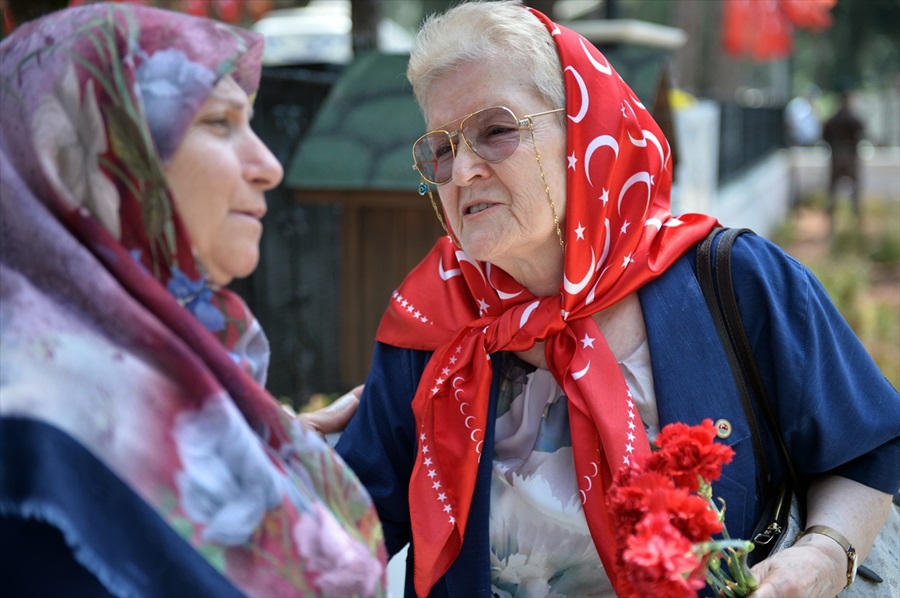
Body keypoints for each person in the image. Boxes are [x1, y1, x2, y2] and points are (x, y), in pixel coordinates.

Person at [332, 2, 900, 597]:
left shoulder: (736, 279)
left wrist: (827, 551)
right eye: (440, 150)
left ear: (584, 132)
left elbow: (866, 446)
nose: (462, 171)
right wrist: (263, 442)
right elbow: (343, 531)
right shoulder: (432, 325)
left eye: (495, 131)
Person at [0, 3, 385, 596]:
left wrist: (264, 443)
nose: (269, 167)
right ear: (107, 155)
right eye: (219, 123)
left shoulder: (181, 366)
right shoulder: (35, 429)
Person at [822, 90, 865, 234]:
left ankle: (831, 225)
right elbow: (861, 131)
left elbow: (825, 135)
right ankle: (856, 221)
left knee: (833, 190)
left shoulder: (833, 118)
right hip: (850, 155)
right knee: (855, 190)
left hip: (836, 154)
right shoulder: (852, 117)